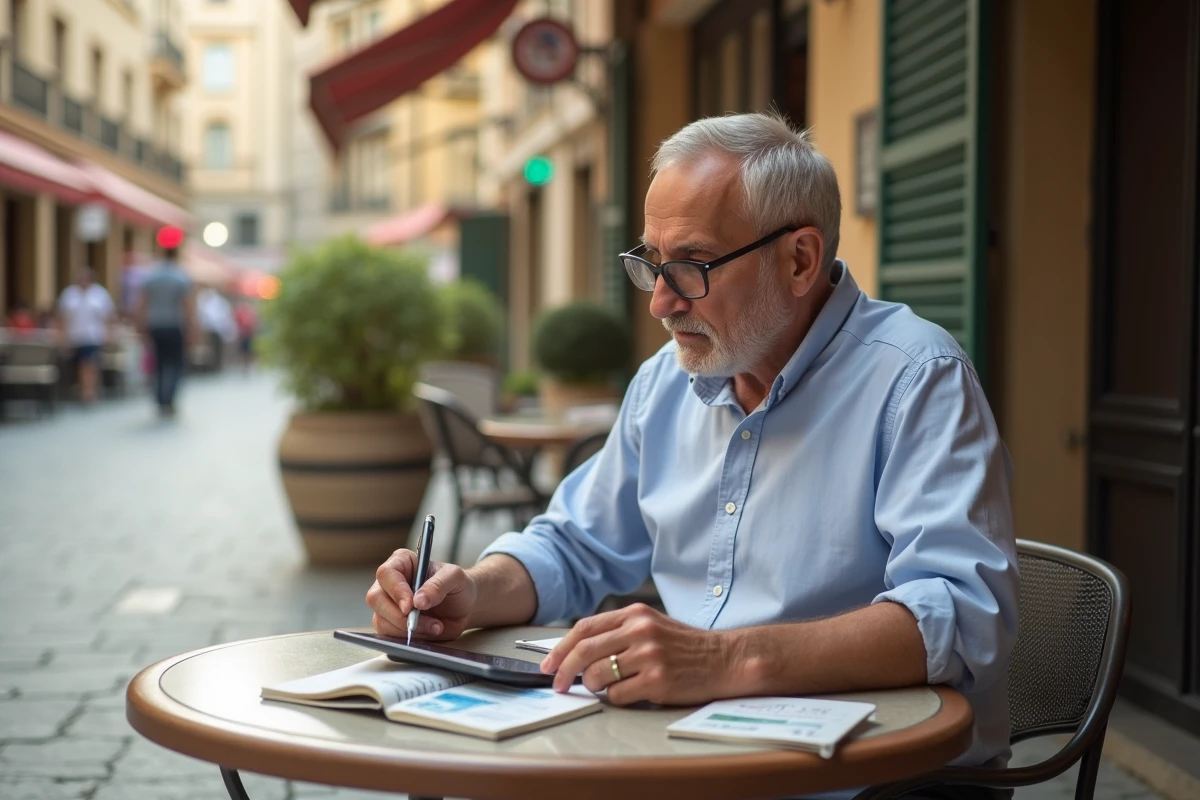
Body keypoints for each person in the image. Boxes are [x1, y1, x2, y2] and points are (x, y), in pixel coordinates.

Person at [366, 113, 1019, 787]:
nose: (660, 303)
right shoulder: (664, 383)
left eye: (691, 266)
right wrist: (470, 592)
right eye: (652, 264)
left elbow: (964, 615)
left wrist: (720, 660)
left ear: (799, 259)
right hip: (690, 758)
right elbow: (574, 544)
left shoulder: (916, 377)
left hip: (876, 779)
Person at [137, 247, 194, 416]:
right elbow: (187, 305)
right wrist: (192, 327)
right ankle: (169, 399)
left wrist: (139, 324)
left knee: (159, 363)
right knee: (176, 364)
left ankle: (160, 399)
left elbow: (142, 303)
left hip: (155, 325)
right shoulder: (181, 277)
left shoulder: (151, 277)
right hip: (175, 325)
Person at [57, 268, 115, 404]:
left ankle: (88, 392)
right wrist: (62, 336)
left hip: (93, 336)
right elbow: (63, 317)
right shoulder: (69, 294)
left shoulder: (100, 294)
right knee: (79, 365)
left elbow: (108, 316)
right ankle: (83, 388)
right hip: (75, 336)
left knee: (88, 363)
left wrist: (109, 334)